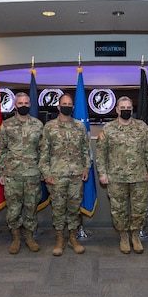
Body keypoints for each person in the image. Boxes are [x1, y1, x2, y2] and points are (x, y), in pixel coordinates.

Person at [96, 96, 148, 254]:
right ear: (116, 110)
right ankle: (123, 236)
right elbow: (101, 154)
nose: (126, 110)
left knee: (139, 209)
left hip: (139, 177)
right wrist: (102, 173)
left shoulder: (142, 127)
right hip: (116, 177)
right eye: (122, 108)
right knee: (118, 209)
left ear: (132, 109)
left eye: (128, 108)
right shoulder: (108, 129)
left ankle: (135, 236)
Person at [38, 93, 91, 256]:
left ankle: (73, 238)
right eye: (64, 104)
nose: (67, 106)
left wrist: (86, 168)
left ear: (72, 107)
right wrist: (46, 173)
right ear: (58, 107)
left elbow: (85, 150)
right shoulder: (49, 127)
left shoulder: (80, 127)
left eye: (70, 104)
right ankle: (60, 239)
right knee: (59, 209)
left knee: (74, 209)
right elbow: (44, 152)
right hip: (56, 175)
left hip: (76, 174)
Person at [0, 92, 44, 254]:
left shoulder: (38, 125)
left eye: (26, 103)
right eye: (20, 103)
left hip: (32, 174)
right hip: (12, 175)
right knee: (13, 209)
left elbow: (43, 150)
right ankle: (16, 238)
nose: (23, 106)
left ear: (29, 105)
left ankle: (29, 237)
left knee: (31, 207)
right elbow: (1, 151)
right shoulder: (6, 125)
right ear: (15, 106)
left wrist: (43, 170)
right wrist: (1, 173)